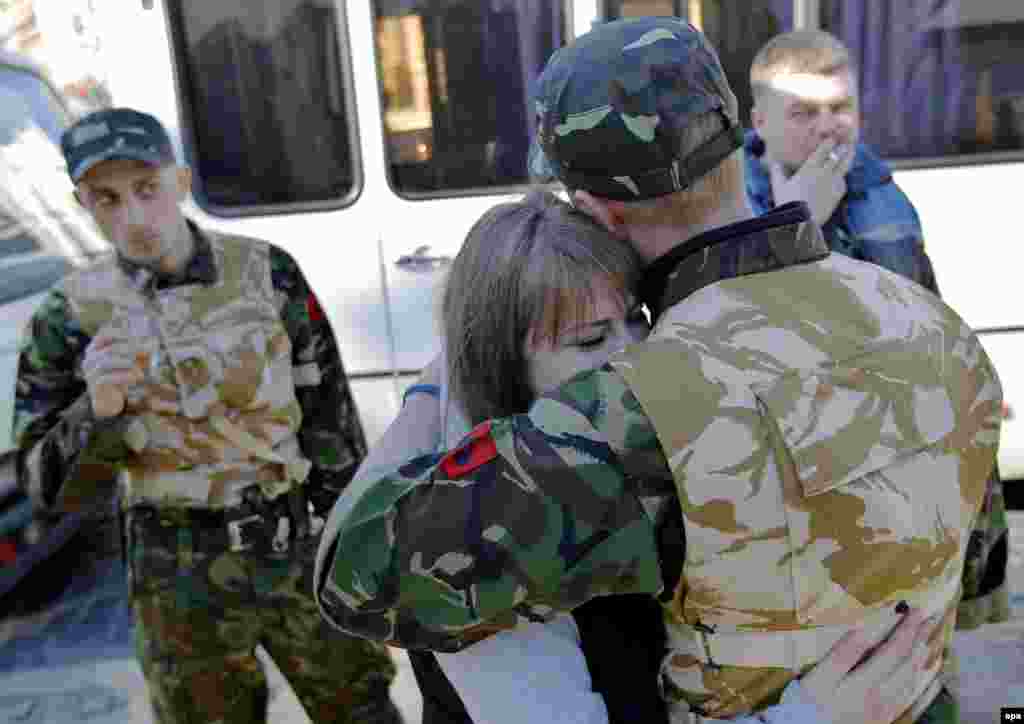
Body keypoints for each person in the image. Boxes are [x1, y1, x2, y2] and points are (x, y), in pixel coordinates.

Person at [315, 17, 1003, 724]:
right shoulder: (934, 325)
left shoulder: (645, 407)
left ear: (597, 215)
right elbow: (977, 574)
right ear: (737, 138)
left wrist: (453, 367)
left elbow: (355, 577)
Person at [336, 189, 946, 724]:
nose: (636, 356)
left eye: (636, 320)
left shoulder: (608, 457)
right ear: (503, 366)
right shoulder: (479, 537)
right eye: (592, 341)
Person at [11, 107, 401, 724]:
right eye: (107, 199)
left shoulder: (266, 272)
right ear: (82, 203)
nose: (133, 218)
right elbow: (48, 490)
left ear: (181, 182)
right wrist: (97, 411)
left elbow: (331, 427)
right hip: (176, 570)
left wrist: (361, 549)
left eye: (147, 189)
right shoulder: (70, 315)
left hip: (293, 538)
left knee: (362, 709)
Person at [745, 29, 1010, 628]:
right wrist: (797, 223)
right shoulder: (731, 209)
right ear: (760, 120)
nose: (829, 127)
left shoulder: (883, 196)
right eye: (804, 113)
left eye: (840, 108)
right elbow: (742, 346)